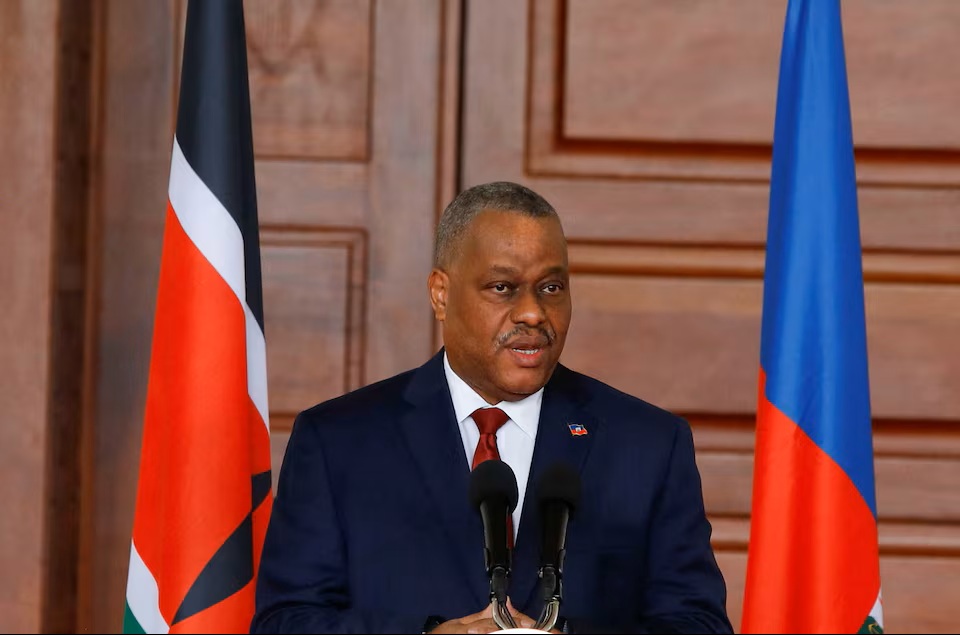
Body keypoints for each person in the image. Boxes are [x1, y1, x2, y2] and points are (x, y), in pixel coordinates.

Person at [251, 182, 733, 634]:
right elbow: (285, 621)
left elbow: (697, 623)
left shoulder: (648, 445)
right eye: (503, 287)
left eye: (551, 287)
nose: (533, 313)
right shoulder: (337, 442)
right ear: (441, 295)